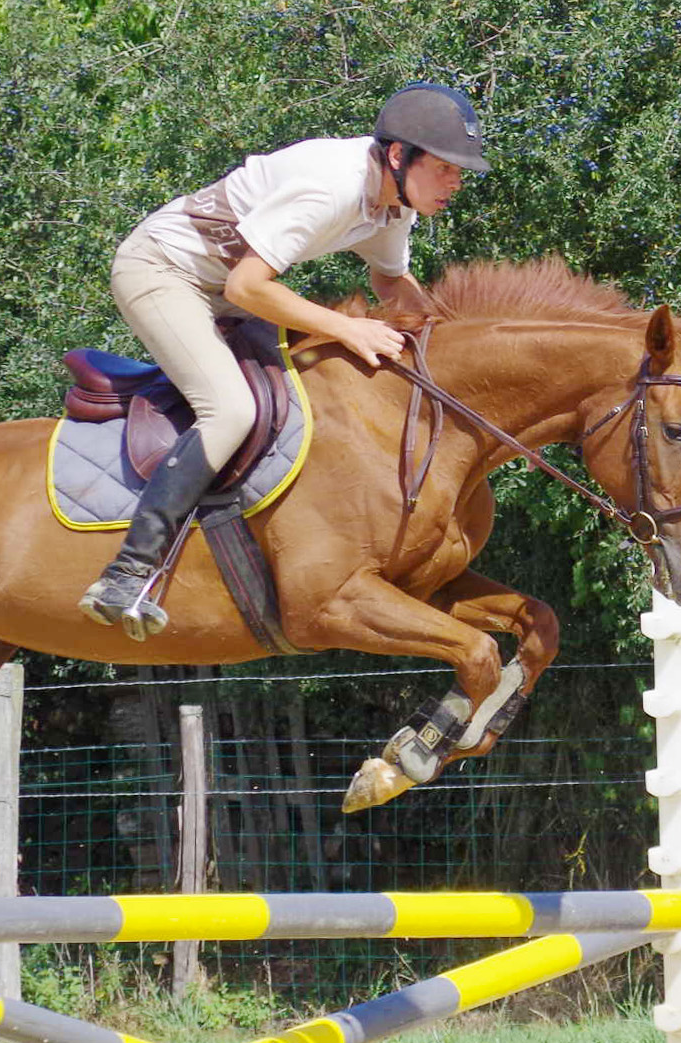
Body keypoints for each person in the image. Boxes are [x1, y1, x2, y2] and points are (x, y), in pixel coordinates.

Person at [78, 82, 490, 639]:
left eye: (460, 170)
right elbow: (250, 286)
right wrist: (345, 325)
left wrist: (451, 345)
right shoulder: (333, 186)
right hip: (163, 271)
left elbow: (389, 279)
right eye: (445, 167)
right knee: (231, 410)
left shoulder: (394, 205)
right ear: (399, 155)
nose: (456, 182)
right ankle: (129, 570)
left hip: (221, 286)